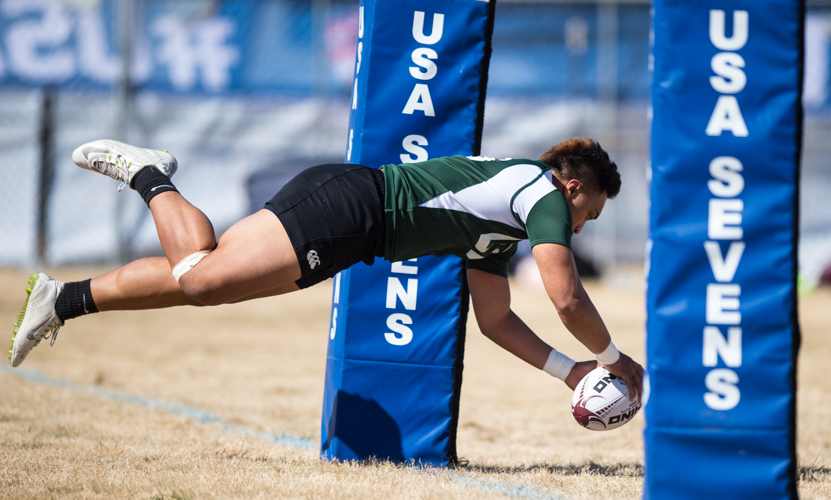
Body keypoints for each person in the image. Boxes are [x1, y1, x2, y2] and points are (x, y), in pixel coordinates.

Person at [9, 138, 645, 399]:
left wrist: (572, 371)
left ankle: (62, 299)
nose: (585, 224)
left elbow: (497, 320)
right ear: (573, 187)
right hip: (352, 207)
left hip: (351, 220)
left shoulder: (503, 226)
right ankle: (148, 175)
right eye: (590, 209)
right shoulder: (540, 192)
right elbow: (564, 298)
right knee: (202, 279)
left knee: (198, 280)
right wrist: (615, 359)